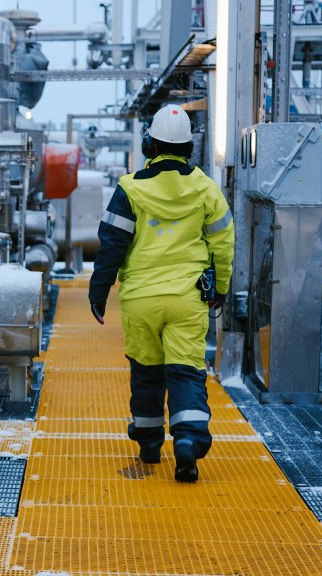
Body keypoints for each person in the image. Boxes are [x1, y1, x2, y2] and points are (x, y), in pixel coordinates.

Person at [88, 104, 234, 483]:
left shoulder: (130, 188)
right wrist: (219, 288)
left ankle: (150, 444)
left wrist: (98, 292)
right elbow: (224, 245)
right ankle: (187, 442)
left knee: (147, 374)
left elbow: (111, 246)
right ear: (188, 148)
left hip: (141, 300)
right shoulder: (206, 188)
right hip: (187, 298)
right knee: (186, 373)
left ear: (149, 145)